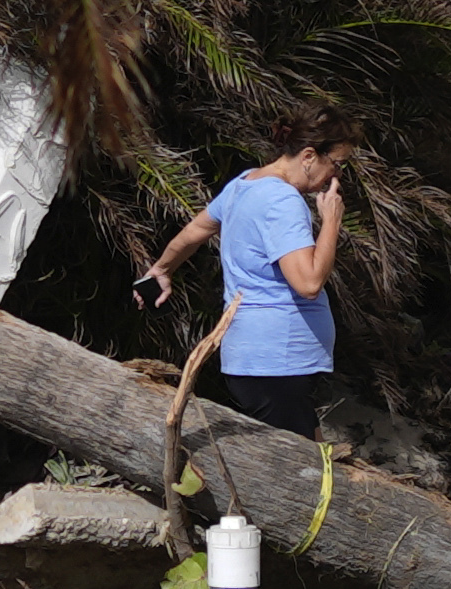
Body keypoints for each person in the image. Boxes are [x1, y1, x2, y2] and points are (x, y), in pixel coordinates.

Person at [138, 123, 349, 441]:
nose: (337, 176)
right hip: (278, 360)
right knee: (300, 470)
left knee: (309, 452)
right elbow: (308, 283)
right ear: (309, 155)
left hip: (256, 359)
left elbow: (196, 230)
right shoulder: (283, 201)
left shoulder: (245, 183)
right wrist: (331, 221)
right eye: (337, 163)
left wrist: (162, 270)